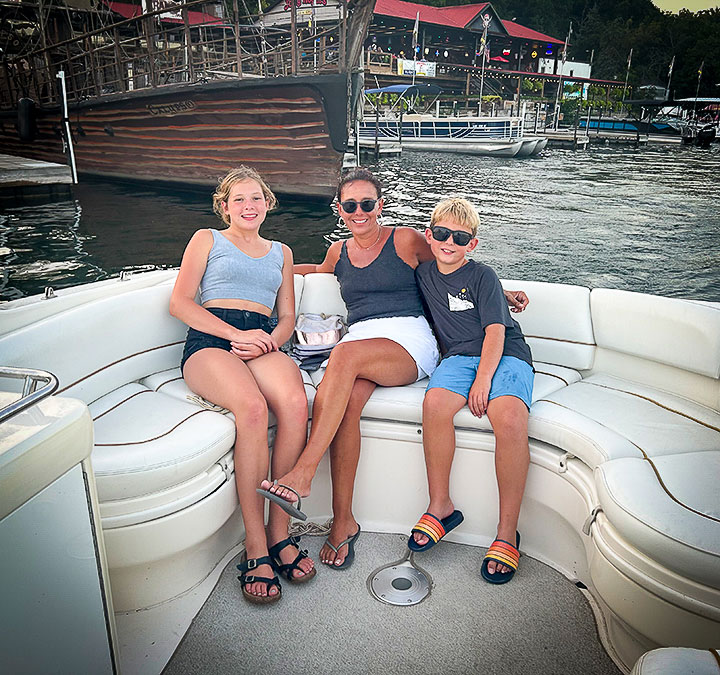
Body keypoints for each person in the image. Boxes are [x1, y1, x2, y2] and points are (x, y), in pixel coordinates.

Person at [258, 167, 528, 570]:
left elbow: (453, 265)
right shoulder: (338, 252)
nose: (359, 212)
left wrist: (501, 293)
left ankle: (303, 471)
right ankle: (343, 521)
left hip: (407, 337)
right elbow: (314, 272)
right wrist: (269, 265)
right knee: (346, 402)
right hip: (362, 340)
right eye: (351, 205)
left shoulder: (404, 239)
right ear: (339, 209)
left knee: (343, 359)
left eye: (367, 203)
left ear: (380, 205)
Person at [169, 166, 315, 605]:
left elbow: (286, 316)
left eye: (256, 198)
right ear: (225, 206)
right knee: (252, 408)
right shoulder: (207, 239)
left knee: (296, 403)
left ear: (268, 203)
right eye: (239, 199)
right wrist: (236, 335)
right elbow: (179, 303)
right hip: (211, 339)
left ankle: (278, 532)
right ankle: (255, 546)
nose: (249, 206)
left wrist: (270, 340)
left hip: (262, 339)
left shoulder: (282, 252)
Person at [409, 197, 534, 585]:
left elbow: (496, 331)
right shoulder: (422, 274)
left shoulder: (483, 275)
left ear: (472, 244)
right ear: (429, 236)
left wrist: (484, 379)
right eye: (442, 233)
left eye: (460, 238)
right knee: (434, 404)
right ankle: (440, 505)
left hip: (504, 353)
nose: (450, 242)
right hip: (459, 356)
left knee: (508, 417)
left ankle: (506, 532)